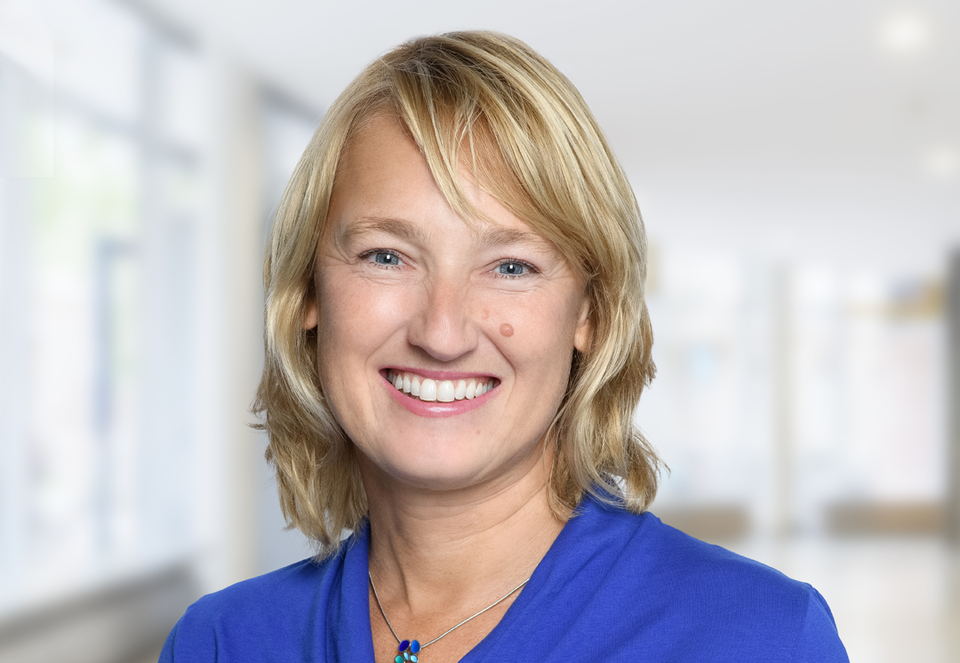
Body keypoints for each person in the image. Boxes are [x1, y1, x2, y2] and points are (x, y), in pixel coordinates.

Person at [159, 31, 848, 662]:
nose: (442, 330)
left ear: (590, 313)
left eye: (511, 266)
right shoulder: (220, 641)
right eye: (387, 256)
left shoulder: (762, 636)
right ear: (309, 293)